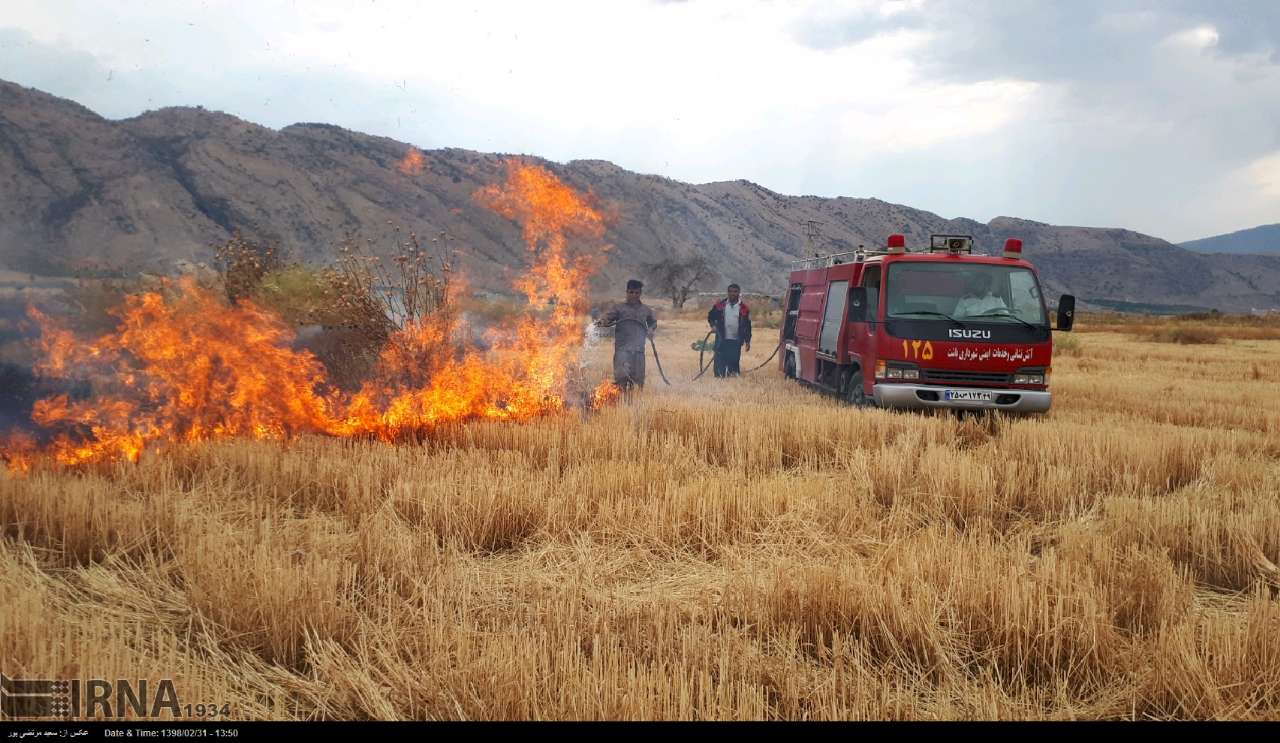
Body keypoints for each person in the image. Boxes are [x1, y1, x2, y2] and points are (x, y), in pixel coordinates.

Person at [596, 279, 657, 391]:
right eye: (631, 292)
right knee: (621, 380)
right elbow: (608, 317)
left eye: (637, 293)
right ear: (627, 292)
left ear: (640, 293)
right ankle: (620, 403)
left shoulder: (646, 310)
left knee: (638, 381)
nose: (634, 295)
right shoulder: (619, 308)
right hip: (622, 350)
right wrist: (603, 321)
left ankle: (635, 404)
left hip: (638, 351)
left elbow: (653, 322)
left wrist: (651, 330)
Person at [707, 283, 752, 377]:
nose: (732, 294)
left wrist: (747, 341)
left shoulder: (744, 308)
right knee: (719, 361)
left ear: (739, 293)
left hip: (736, 340)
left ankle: (732, 379)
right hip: (721, 338)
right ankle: (719, 379)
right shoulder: (720, 306)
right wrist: (713, 325)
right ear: (727, 292)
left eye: (735, 292)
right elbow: (711, 316)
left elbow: (747, 326)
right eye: (730, 291)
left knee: (734, 361)